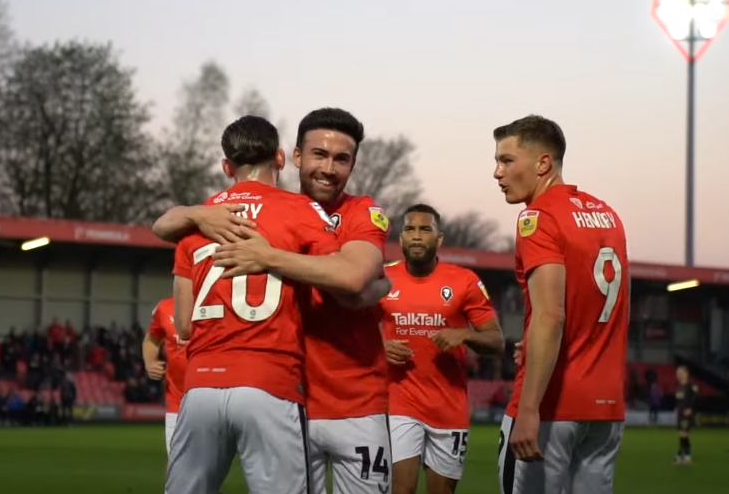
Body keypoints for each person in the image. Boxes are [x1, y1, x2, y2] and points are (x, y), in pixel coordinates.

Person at [153, 108, 393, 494]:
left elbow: (353, 279)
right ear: (290, 157)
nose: (328, 168)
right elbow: (356, 288)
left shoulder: (361, 210)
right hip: (283, 392)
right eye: (319, 155)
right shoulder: (295, 213)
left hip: (352, 401)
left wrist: (261, 252)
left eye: (341, 159)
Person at [492, 115, 630, 494]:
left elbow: (552, 315)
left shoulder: (537, 219)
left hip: (554, 405)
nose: (496, 172)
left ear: (542, 164)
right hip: (606, 408)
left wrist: (529, 409)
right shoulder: (608, 215)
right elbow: (594, 305)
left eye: (506, 160)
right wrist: (536, 347)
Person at [378, 203, 504, 494]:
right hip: (399, 403)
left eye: (425, 229)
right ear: (401, 240)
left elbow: (496, 341)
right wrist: (379, 347)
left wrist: (465, 335)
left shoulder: (464, 281)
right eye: (410, 229)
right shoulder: (382, 279)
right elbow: (354, 333)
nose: (417, 236)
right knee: (401, 490)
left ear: (439, 239)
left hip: (449, 408)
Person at [142, 296, 187, 457]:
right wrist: (150, 362)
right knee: (177, 466)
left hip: (213, 401)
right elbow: (152, 339)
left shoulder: (220, 302)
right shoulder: (165, 307)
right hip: (177, 402)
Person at [674, 365, 698, 464]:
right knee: (682, 434)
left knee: (683, 434)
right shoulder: (679, 387)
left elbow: (696, 399)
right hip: (680, 414)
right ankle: (682, 455)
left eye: (681, 373)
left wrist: (690, 409)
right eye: (677, 373)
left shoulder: (691, 386)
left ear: (686, 374)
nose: (678, 375)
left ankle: (685, 455)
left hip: (687, 414)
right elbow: (680, 401)